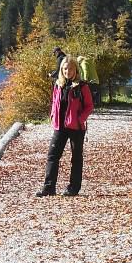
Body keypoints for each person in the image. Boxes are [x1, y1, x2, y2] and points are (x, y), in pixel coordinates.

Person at [36, 55, 94, 197]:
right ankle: (49, 188)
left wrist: (80, 119)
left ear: (76, 70)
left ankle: (73, 188)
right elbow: (54, 102)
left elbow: (89, 106)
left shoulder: (82, 86)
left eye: (70, 68)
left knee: (76, 158)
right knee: (52, 155)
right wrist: (52, 116)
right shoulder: (58, 84)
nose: (68, 71)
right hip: (60, 126)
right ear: (62, 70)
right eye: (65, 68)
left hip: (76, 128)